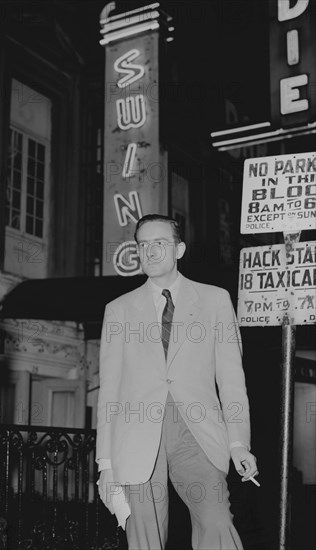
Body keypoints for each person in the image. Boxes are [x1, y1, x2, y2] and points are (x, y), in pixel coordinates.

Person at [96, 214, 258, 550]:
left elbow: (230, 379)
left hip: (197, 432)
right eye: (143, 245)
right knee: (145, 536)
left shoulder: (215, 300)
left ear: (179, 249)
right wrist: (106, 463)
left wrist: (238, 442)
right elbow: (109, 391)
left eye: (160, 243)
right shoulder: (119, 310)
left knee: (216, 522)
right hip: (137, 437)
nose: (151, 252)